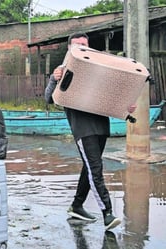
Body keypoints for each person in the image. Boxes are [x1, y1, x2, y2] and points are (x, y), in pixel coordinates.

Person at [44, 32, 136, 230]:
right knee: (95, 170)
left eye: (84, 45)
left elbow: (113, 96)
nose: (81, 48)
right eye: (77, 45)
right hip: (83, 129)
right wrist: (53, 79)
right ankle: (108, 213)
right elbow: (49, 98)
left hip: (101, 126)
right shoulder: (62, 71)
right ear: (69, 48)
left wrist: (126, 107)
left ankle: (77, 206)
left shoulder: (99, 69)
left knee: (90, 168)